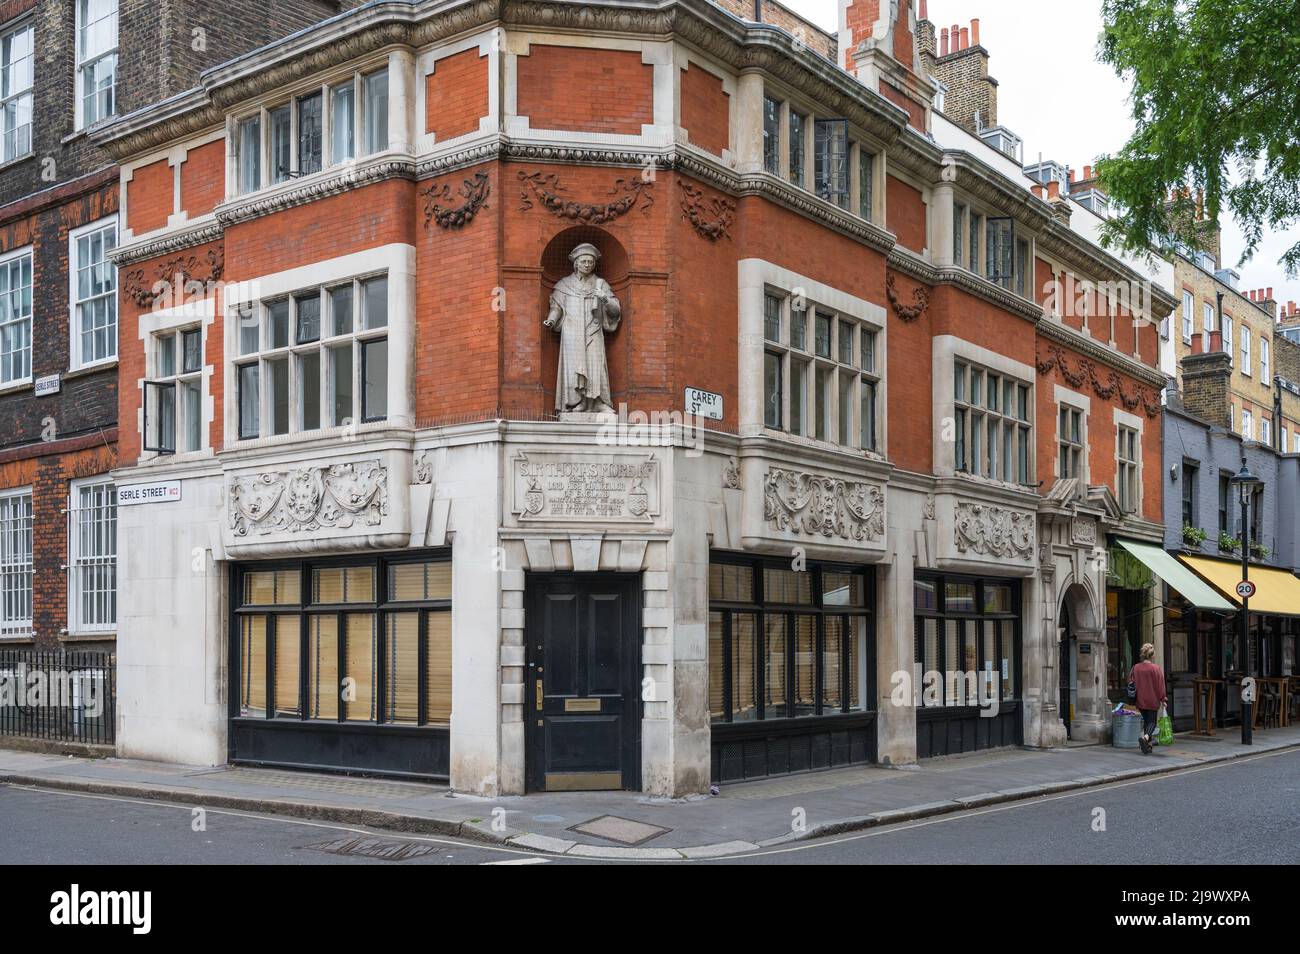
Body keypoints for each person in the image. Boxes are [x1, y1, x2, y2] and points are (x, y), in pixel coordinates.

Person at [1128, 643, 1166, 754]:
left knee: (1147, 721)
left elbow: (1130, 681)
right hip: (1153, 700)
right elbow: (1161, 685)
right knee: (1152, 723)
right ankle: (1145, 739)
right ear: (1152, 655)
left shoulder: (1135, 667)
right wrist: (1163, 699)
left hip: (1140, 700)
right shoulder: (1156, 669)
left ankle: (1148, 746)